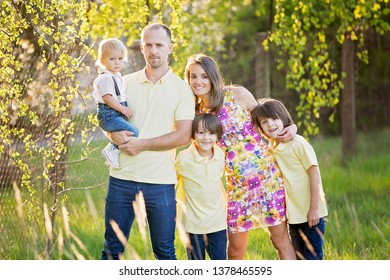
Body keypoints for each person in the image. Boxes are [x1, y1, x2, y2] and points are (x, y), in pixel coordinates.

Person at [184, 54, 297, 260]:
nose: (198, 81)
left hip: (267, 177)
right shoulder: (195, 112)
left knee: (279, 239)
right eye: (193, 77)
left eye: (204, 76)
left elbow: (268, 121)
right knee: (235, 250)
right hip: (236, 184)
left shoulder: (237, 94)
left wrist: (291, 126)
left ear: (213, 77)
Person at [101, 23, 195, 260]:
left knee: (164, 252)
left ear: (170, 48)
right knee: (112, 250)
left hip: (160, 182)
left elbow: (184, 135)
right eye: (149, 45)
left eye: (159, 45)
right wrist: (113, 135)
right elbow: (107, 119)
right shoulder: (123, 82)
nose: (154, 50)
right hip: (121, 179)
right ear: (142, 49)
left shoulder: (182, 90)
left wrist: (142, 144)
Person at [251, 98, 328, 260]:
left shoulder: (298, 143)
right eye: (265, 122)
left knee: (313, 258)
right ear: (260, 128)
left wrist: (314, 208)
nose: (271, 124)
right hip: (293, 216)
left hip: (311, 213)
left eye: (274, 119)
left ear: (283, 118)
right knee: (299, 257)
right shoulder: (273, 146)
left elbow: (314, 175)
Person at [176, 113, 227, 260]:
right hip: (193, 224)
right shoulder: (184, 158)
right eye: (201, 132)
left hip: (217, 222)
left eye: (211, 133)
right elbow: (171, 178)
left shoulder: (220, 155)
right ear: (193, 134)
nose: (206, 137)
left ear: (217, 136)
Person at [92, 38, 139, 168]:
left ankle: (114, 149)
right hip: (109, 114)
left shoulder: (116, 76)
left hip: (115, 112)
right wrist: (123, 109)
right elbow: (108, 98)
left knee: (129, 132)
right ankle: (112, 149)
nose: (117, 62)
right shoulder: (105, 78)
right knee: (133, 132)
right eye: (112, 59)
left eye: (120, 58)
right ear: (102, 61)